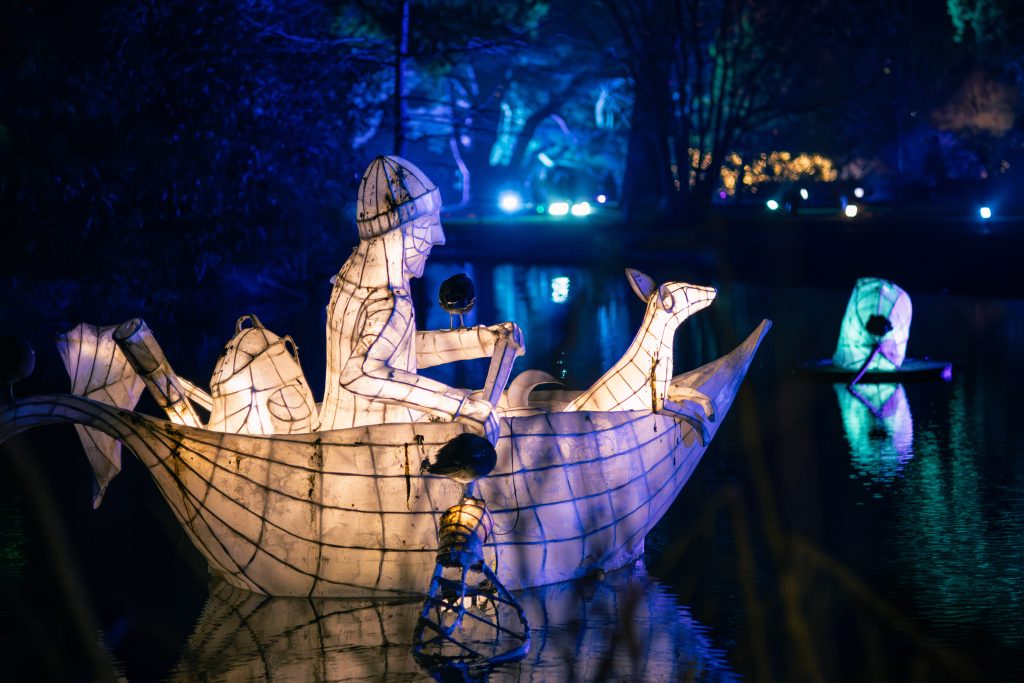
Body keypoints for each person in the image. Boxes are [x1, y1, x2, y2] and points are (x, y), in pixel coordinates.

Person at [319, 155, 522, 443]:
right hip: (375, 448)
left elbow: (397, 353)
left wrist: (481, 341)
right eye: (429, 224)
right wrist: (462, 407)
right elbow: (359, 373)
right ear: (400, 230)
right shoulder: (387, 297)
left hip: (338, 434)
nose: (438, 237)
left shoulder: (353, 278)